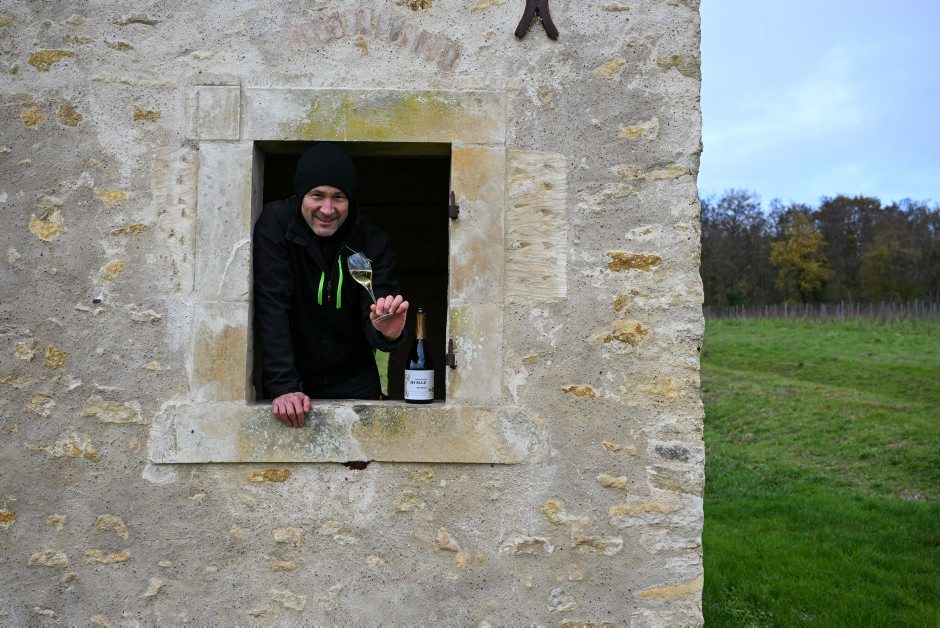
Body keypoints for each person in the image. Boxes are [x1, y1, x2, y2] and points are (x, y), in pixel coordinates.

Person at [253, 143, 409, 427]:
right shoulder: (277, 224)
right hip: (293, 379)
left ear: (351, 200)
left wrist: (386, 333)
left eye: (338, 197)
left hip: (356, 379)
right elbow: (271, 304)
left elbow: (378, 304)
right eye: (317, 195)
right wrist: (284, 385)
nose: (327, 209)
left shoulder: (371, 240)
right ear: (301, 195)